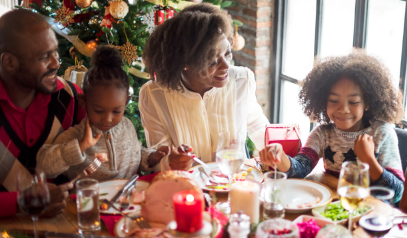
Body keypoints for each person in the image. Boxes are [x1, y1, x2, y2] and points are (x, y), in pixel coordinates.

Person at [259, 50, 405, 202]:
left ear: (367, 103)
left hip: (372, 214)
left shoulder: (382, 133)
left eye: (353, 102)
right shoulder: (322, 134)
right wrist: (281, 158)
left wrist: (368, 159)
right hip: (337, 207)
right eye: (334, 101)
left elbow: (397, 192)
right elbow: (301, 168)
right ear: (323, 101)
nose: (343, 109)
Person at [139, 3, 269, 172]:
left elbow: (259, 126)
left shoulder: (242, 80)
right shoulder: (154, 95)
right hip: (186, 189)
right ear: (185, 62)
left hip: (234, 186)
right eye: (213, 61)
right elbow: (158, 158)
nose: (226, 66)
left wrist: (276, 150)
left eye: (228, 53)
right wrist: (169, 161)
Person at [37, 46, 171, 181]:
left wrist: (152, 157)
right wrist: (80, 146)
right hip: (91, 200)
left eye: (117, 111)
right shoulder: (75, 136)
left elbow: (136, 153)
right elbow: (44, 167)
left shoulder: (127, 126)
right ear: (83, 102)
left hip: (130, 198)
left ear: (126, 103)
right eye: (99, 111)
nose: (107, 119)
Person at [0, 9, 86, 217]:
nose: (56, 63)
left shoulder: (71, 98)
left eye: (55, 52)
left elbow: (107, 154)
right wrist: (21, 203)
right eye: (44, 57)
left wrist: (156, 158)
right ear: (9, 62)